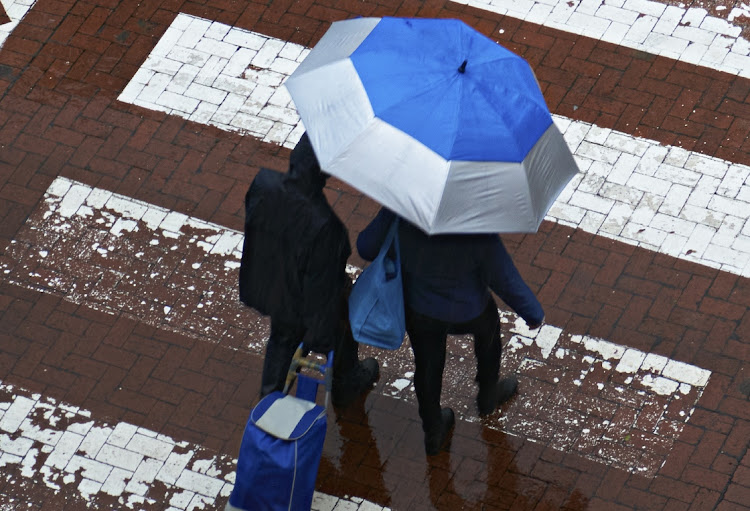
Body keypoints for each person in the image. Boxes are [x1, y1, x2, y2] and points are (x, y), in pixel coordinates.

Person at [357, 208, 544, 455]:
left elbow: (366, 247)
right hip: (469, 310)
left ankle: (434, 430)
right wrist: (533, 313)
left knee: (427, 366)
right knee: (489, 333)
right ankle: (487, 396)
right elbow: (504, 278)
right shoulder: (477, 227)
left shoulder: (403, 210)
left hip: (420, 309)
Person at [239, 133, 379, 408]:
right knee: (345, 307)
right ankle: (347, 378)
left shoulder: (263, 184)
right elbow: (326, 284)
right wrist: (320, 335)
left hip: (275, 285)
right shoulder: (327, 226)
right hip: (306, 303)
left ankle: (268, 401)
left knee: (280, 339)